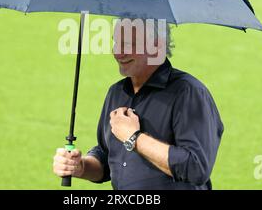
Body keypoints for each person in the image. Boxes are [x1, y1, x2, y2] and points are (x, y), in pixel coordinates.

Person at [53, 18, 224, 189]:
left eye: (128, 44)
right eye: (116, 42)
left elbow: (196, 167)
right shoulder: (116, 92)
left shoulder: (189, 93)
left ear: (156, 47)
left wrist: (133, 138)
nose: (118, 53)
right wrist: (82, 167)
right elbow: (108, 155)